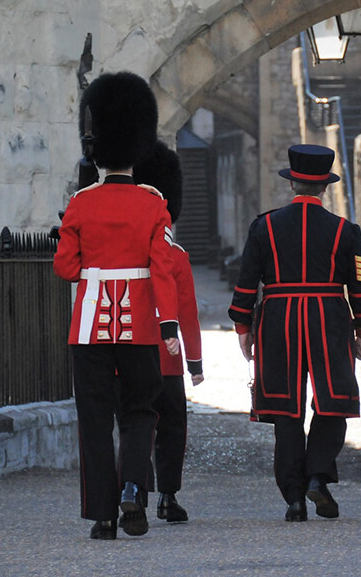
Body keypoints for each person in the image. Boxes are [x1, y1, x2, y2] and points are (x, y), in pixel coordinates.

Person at [53, 71, 181, 540]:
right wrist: (169, 325)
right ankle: (132, 488)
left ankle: (103, 517)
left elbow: (66, 269)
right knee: (140, 411)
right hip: (141, 328)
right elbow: (162, 270)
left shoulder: (81, 203)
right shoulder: (153, 204)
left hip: (88, 329)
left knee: (93, 421)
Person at [229, 144, 361, 522]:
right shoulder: (346, 230)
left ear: (292, 182)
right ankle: (317, 475)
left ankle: (294, 497)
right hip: (329, 317)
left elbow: (247, 283)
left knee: (285, 411)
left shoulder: (264, 226)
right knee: (333, 402)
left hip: (279, 318)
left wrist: (243, 328)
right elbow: (360, 285)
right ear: (325, 187)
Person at [132, 140, 204, 523]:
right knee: (171, 428)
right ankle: (168, 497)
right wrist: (194, 361)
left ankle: (136, 490)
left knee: (135, 424)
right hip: (168, 359)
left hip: (128, 352)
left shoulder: (123, 255)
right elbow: (186, 314)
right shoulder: (176, 258)